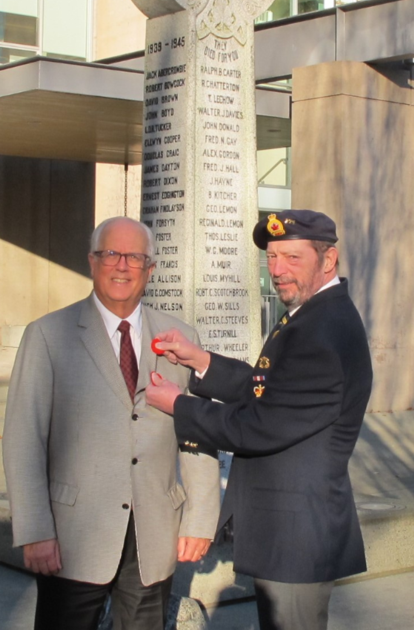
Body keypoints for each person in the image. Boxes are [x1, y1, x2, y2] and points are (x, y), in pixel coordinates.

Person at [146, 210, 373, 630]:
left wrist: (178, 405)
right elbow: (266, 386)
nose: (278, 270)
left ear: (328, 260)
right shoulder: (313, 314)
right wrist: (202, 362)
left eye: (292, 258)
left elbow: (258, 425)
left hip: (296, 538)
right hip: (289, 531)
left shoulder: (323, 331)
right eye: (271, 258)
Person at [2, 216, 220, 630]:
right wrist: (34, 530)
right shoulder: (48, 336)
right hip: (72, 537)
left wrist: (200, 519)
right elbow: (23, 440)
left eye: (135, 257)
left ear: (150, 269)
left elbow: (198, 431)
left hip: (152, 535)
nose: (122, 266)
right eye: (111, 254)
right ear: (92, 261)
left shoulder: (179, 338)